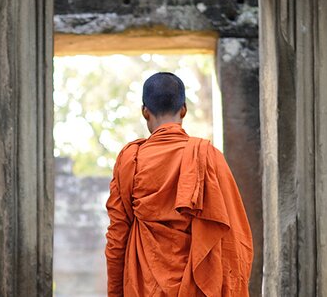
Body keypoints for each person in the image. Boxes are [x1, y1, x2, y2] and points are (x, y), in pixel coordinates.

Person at [105, 72, 253, 296]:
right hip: (199, 285)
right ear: (183, 109)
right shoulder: (209, 157)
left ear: (145, 111)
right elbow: (235, 234)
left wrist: (115, 292)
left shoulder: (130, 160)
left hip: (144, 286)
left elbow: (118, 236)